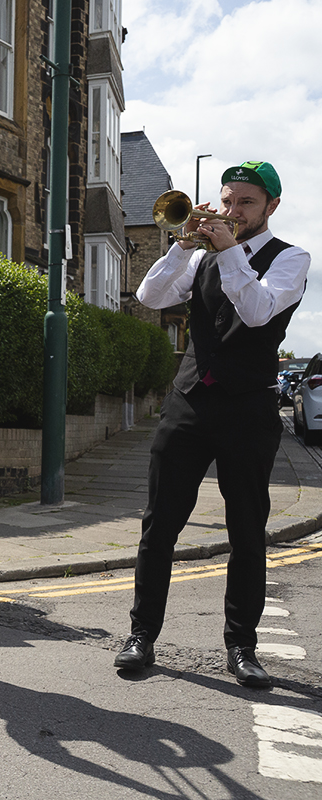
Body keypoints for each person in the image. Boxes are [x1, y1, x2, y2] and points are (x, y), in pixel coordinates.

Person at [114, 161, 310, 687]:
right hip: (189, 402)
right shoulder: (201, 258)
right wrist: (181, 246)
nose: (232, 211)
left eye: (245, 203)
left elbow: (258, 312)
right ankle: (141, 636)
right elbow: (149, 298)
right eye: (227, 201)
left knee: (247, 530)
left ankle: (242, 646)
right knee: (159, 527)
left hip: (248, 409)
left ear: (270, 207)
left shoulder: (291, 258)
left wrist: (228, 251)